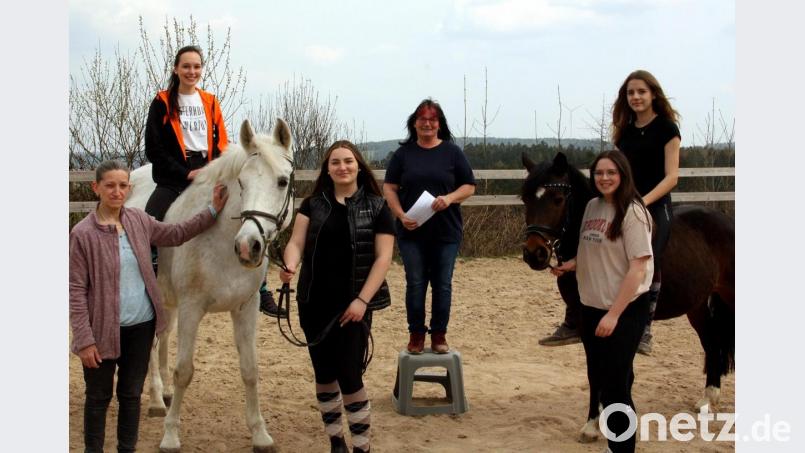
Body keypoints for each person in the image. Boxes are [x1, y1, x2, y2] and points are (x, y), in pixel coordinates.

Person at [70, 160, 229, 453]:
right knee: (98, 397)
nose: (117, 192)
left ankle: (126, 449)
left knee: (131, 396)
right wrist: (83, 339)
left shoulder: (139, 221)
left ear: (129, 189)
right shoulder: (82, 234)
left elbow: (177, 233)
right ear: (96, 188)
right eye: (110, 186)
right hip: (101, 330)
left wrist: (212, 211)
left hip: (141, 328)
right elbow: (76, 291)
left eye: (122, 186)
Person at [279, 141, 395, 453]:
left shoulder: (378, 206)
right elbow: (296, 242)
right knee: (324, 374)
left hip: (353, 307)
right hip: (313, 302)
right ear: (327, 169)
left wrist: (362, 301)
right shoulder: (312, 204)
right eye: (335, 162)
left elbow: (383, 259)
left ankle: (361, 446)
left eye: (347, 161)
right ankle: (336, 442)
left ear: (358, 165)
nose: (342, 167)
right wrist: (290, 264)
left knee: (350, 376)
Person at [552, 150, 654, 453]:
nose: (604, 178)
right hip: (591, 308)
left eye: (611, 173)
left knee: (616, 389)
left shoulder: (634, 212)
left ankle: (622, 449)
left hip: (623, 311)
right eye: (599, 173)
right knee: (600, 380)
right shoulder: (591, 207)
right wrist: (570, 264)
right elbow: (589, 248)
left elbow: (638, 267)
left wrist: (614, 315)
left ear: (623, 175)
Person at [383, 98, 476, 354]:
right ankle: (416, 335)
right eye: (422, 119)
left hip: (446, 232)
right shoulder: (403, 154)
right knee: (415, 283)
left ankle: (439, 335)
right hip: (411, 231)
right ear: (414, 123)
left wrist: (449, 198)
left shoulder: (453, 153)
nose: (427, 123)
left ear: (439, 124)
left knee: (442, 284)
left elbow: (469, 185)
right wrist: (400, 214)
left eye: (432, 119)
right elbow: (389, 187)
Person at [612, 69, 681, 355]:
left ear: (653, 94)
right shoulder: (624, 133)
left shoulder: (667, 128)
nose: (636, 97)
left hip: (656, 203)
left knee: (650, 251)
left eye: (641, 91)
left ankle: (646, 326)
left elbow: (672, 176)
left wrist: (643, 201)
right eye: (630, 93)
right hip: (624, 203)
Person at [144, 45, 228, 276]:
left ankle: (260, 286)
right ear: (176, 69)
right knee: (148, 218)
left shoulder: (210, 101)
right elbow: (154, 148)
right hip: (175, 174)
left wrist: (215, 169)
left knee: (244, 207)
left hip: (209, 168)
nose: (192, 71)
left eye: (197, 66)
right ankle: (151, 260)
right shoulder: (162, 101)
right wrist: (185, 173)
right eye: (186, 66)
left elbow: (222, 142)